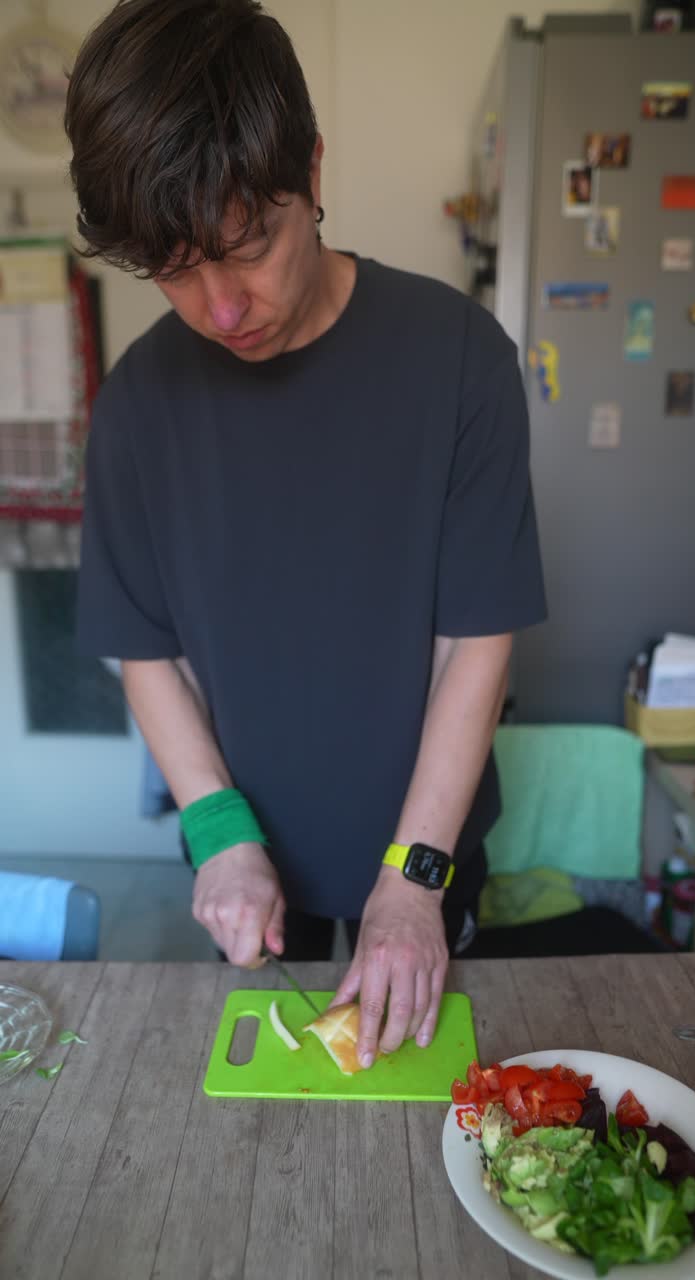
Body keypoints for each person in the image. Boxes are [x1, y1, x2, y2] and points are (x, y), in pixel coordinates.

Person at [66, 0, 546, 1069]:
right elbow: (142, 648)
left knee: (423, 1091)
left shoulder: (457, 357)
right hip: (256, 857)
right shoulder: (140, 406)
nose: (221, 307)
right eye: (174, 271)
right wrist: (217, 833)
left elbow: (479, 638)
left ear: (312, 173)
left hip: (427, 845)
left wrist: (412, 879)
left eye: (248, 247)